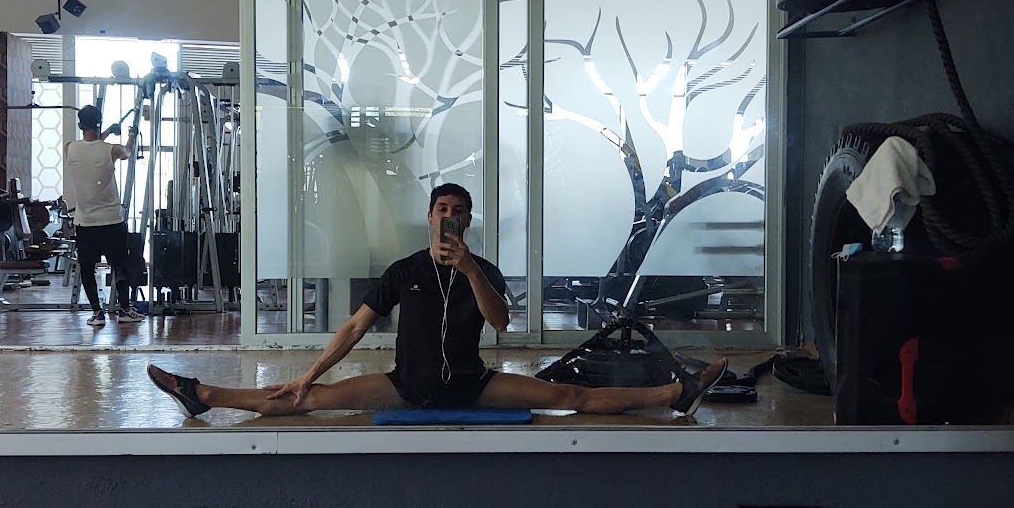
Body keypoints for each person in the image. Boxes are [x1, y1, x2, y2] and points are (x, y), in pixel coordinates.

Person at [147, 183, 726, 420]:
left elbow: (501, 323)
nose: (450, 217)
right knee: (307, 399)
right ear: (430, 217)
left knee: (570, 396)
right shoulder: (404, 271)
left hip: (473, 384)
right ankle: (203, 396)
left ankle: (677, 393)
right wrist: (308, 373)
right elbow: (353, 328)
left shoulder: (484, 270)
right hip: (406, 384)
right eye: (442, 210)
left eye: (459, 212)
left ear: (467, 222)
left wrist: (470, 269)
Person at [63, 103, 142, 327]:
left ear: (80, 125)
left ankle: (97, 313)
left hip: (85, 223)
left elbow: (91, 147)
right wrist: (132, 134)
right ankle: (125, 310)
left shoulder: (70, 149)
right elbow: (127, 151)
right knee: (119, 265)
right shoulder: (112, 150)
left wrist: (105, 132)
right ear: (98, 123)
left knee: (88, 268)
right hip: (111, 221)